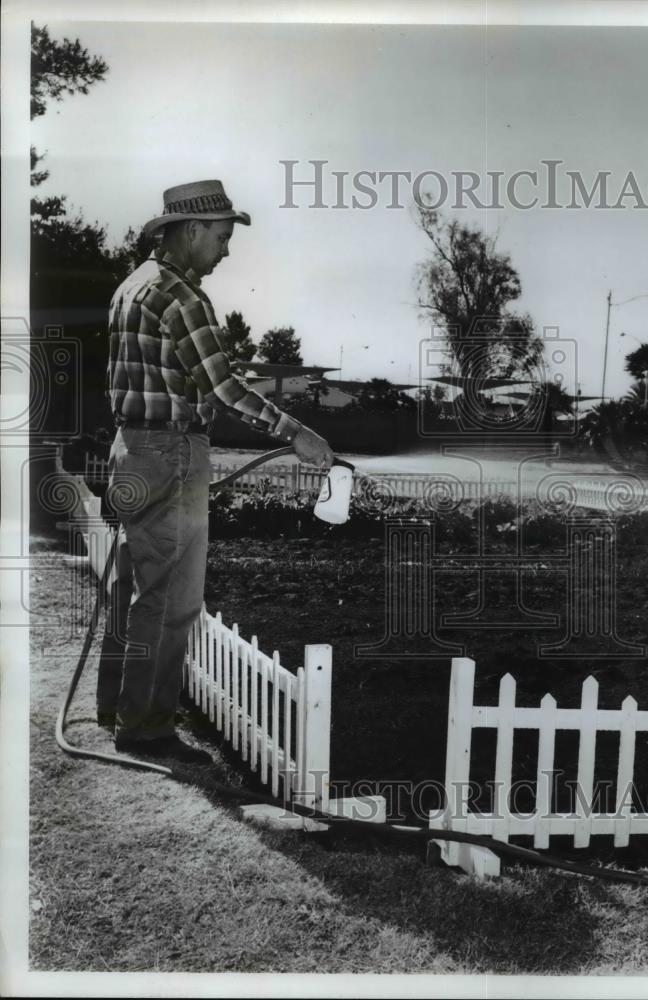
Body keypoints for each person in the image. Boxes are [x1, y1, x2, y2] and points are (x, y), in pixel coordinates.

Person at [98, 179, 333, 763]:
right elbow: (224, 389)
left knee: (134, 584)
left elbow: (166, 379)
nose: (226, 251)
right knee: (171, 599)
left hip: (131, 449)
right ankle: (147, 728)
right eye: (223, 237)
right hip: (172, 455)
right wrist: (295, 432)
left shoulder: (131, 287)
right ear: (191, 230)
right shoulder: (182, 297)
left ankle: (116, 706)